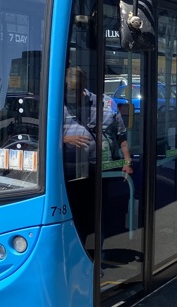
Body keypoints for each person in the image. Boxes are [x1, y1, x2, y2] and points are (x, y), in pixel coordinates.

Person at [63, 66, 133, 244]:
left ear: (83, 89)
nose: (72, 95)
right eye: (69, 90)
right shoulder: (57, 104)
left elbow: (121, 136)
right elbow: (43, 138)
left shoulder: (106, 104)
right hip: (70, 171)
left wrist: (127, 161)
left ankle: (97, 257)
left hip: (101, 169)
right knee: (76, 214)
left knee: (98, 214)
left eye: (75, 91)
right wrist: (65, 139)